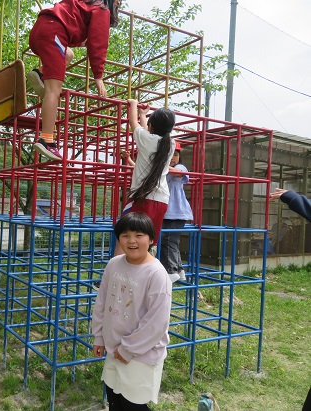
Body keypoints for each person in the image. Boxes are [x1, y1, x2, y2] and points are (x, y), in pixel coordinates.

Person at [92, 212, 172, 411]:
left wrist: (128, 349)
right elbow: (102, 302)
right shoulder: (114, 264)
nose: (132, 241)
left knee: (133, 405)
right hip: (114, 348)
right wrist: (99, 336)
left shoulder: (156, 275)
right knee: (114, 399)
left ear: (151, 239)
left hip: (140, 354)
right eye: (125, 235)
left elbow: (156, 324)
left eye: (139, 235)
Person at [27, 0, 121, 161]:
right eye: (118, 3)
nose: (118, 4)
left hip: (40, 30)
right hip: (54, 33)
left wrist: (82, 40)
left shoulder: (85, 3)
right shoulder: (102, 9)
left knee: (68, 54)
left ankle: (41, 74)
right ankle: (46, 140)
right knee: (53, 91)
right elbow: (98, 44)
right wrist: (98, 77)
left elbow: (70, 23)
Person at [114, 99, 176, 257]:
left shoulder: (147, 139)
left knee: (125, 236)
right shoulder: (170, 144)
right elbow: (146, 131)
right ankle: (145, 270)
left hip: (143, 198)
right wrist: (143, 115)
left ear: (151, 126)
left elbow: (133, 123)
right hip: (162, 200)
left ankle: (115, 271)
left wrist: (134, 104)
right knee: (147, 240)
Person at [159, 141, 193, 282]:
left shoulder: (180, 167)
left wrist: (161, 163)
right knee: (171, 241)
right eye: (170, 154)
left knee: (168, 241)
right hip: (167, 211)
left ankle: (171, 271)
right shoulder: (163, 171)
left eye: (176, 154)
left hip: (177, 212)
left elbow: (178, 173)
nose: (173, 157)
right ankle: (179, 270)